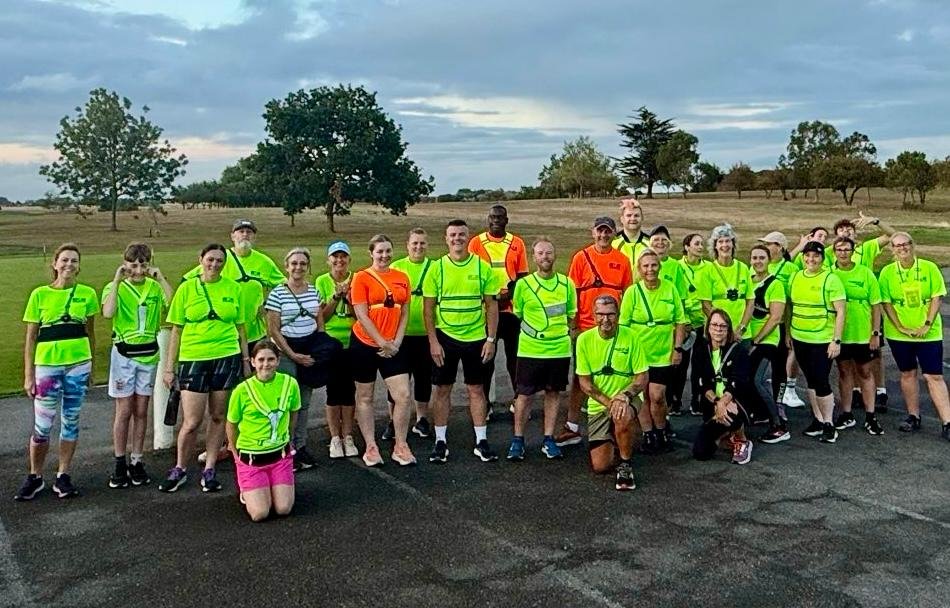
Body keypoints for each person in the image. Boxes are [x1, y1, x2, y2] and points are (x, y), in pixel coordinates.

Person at [160, 243, 249, 493]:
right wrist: (169, 368)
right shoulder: (187, 288)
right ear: (201, 259)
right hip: (194, 358)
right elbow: (176, 329)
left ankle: (210, 467)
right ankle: (180, 467)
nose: (214, 264)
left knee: (219, 415)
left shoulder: (233, 288)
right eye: (210, 259)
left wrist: (245, 360)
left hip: (226, 356)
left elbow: (241, 328)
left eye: (220, 260)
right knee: (191, 421)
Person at [15, 244, 99, 501]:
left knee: (71, 422)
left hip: (78, 364)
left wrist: (92, 366)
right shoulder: (39, 295)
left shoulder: (87, 294)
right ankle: (35, 476)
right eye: (64, 260)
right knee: (42, 425)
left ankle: (63, 475)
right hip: (48, 366)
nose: (69, 265)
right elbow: (31, 338)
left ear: (79, 266)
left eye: (74, 261)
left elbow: (90, 332)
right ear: (55, 264)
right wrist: (29, 374)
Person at [423, 219, 503, 463]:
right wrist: (433, 342)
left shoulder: (482, 267)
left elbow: (492, 306)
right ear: (446, 239)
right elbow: (428, 310)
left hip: (476, 338)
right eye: (452, 235)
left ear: (468, 237)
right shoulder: (436, 268)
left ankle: (481, 441)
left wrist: (491, 339)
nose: (457, 238)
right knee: (442, 389)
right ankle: (440, 441)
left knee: (476, 389)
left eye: (461, 234)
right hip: (445, 337)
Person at [556, 215, 633, 447]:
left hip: (614, 328)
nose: (603, 235)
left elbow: (627, 294)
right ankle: (572, 425)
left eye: (608, 231)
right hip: (587, 328)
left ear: (614, 233)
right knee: (581, 378)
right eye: (600, 231)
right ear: (593, 232)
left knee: (615, 375)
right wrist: (574, 325)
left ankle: (615, 421)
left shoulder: (622, 260)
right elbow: (572, 294)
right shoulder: (581, 257)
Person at [101, 243, 172, 488]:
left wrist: (161, 278)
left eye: (143, 265)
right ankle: (119, 461)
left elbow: (173, 305)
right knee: (124, 410)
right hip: (124, 356)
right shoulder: (115, 287)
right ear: (125, 264)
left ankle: (137, 459)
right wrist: (117, 280)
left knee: (142, 410)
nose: (139, 270)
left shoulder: (154, 287)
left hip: (148, 355)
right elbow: (108, 313)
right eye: (133, 265)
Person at [507, 238, 577, 461]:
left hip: (558, 350)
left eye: (548, 253)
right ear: (534, 257)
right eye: (540, 253)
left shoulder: (566, 284)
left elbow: (571, 315)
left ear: (555, 255)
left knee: (553, 392)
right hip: (531, 349)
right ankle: (518, 439)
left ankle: (548, 439)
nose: (545, 257)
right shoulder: (524, 285)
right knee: (524, 394)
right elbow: (518, 313)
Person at [878, 232, 950, 440]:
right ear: (892, 249)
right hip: (900, 335)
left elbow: (936, 297)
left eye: (906, 244)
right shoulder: (887, 272)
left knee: (933, 376)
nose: (902, 248)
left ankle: (947, 421)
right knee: (908, 373)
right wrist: (900, 327)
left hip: (928, 333)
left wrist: (927, 324)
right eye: (897, 245)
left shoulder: (929, 267)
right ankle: (913, 416)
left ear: (912, 245)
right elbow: (886, 303)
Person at [350, 234, 414, 466]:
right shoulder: (361, 277)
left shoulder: (402, 277)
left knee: (403, 395)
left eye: (388, 251)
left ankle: (401, 445)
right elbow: (361, 314)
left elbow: (404, 312)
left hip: (393, 345)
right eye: (379, 251)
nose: (384, 255)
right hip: (365, 343)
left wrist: (396, 342)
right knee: (365, 396)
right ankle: (371, 446)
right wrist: (381, 342)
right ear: (371, 253)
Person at [574, 295, 648, 491]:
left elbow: (642, 377)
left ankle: (625, 464)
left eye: (610, 315)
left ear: (618, 315)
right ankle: (618, 438)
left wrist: (626, 396)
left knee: (621, 415)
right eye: (600, 314)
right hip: (600, 403)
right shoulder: (583, 340)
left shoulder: (632, 336)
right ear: (593, 315)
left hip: (627, 397)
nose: (605, 320)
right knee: (601, 466)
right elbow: (585, 384)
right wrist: (610, 403)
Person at [618, 249, 687, 454]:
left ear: (660, 267)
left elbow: (680, 321)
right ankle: (648, 434)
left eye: (654, 265)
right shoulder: (632, 292)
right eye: (646, 266)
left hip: (663, 354)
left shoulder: (670, 289)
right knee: (642, 397)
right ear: (639, 269)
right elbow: (624, 325)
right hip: (640, 354)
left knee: (657, 396)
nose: (650, 269)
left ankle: (661, 430)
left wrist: (677, 349)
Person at [265, 247, 326, 470]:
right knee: (287, 402)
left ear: (308, 267)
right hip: (286, 352)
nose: (298, 267)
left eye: (302, 263)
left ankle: (300, 446)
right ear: (286, 266)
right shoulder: (277, 294)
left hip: (309, 349)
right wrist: (292, 355)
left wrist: (319, 347)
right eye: (294, 263)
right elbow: (273, 329)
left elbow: (319, 321)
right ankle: (285, 446)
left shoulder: (314, 291)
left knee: (304, 402)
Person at [226, 341, 300, 521]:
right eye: (260, 360)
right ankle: (246, 488)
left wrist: (289, 438)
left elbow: (293, 413)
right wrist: (235, 452)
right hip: (252, 459)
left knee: (283, 509)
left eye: (271, 359)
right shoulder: (241, 391)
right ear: (253, 362)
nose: (266, 364)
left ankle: (273, 485)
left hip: (279, 456)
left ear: (278, 360)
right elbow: (231, 424)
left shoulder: (290, 384)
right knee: (260, 514)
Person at [832, 213, 896, 412]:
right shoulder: (831, 253)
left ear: (855, 234)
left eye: (849, 229)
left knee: (874, 354)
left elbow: (893, 235)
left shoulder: (866, 248)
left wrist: (876, 221)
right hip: (843, 311)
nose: (845, 232)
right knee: (848, 359)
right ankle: (857, 391)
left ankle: (880, 390)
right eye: (841, 230)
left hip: (866, 307)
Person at [468, 205, 529, 414]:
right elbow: (472, 274)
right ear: (488, 219)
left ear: (506, 220)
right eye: (493, 217)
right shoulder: (476, 243)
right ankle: (485, 403)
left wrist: (508, 296)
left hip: (511, 311)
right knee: (486, 360)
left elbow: (522, 276)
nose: (496, 221)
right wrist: (491, 299)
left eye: (500, 217)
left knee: (515, 360)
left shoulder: (516, 243)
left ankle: (518, 401)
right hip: (486, 312)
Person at [787, 241, 846, 444]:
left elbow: (841, 311)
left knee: (821, 380)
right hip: (800, 337)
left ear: (822, 258)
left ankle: (829, 424)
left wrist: (836, 340)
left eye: (816, 256)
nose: (811, 260)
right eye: (808, 256)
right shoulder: (795, 277)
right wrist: (789, 333)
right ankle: (818, 420)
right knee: (811, 380)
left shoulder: (831, 279)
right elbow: (790, 306)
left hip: (822, 339)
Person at [830, 236, 884, 435]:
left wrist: (875, 333)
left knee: (865, 373)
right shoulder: (829, 274)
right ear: (834, 252)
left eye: (847, 249)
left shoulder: (865, 273)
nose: (843, 253)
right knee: (844, 372)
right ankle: (846, 413)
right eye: (839, 249)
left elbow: (876, 305)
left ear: (853, 252)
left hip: (863, 334)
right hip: (841, 335)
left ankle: (870, 416)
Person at [691, 309, 754, 465]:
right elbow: (700, 383)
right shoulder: (700, 350)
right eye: (714, 325)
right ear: (708, 328)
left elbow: (738, 382)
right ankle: (725, 433)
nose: (718, 329)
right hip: (713, 403)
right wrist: (716, 402)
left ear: (728, 329)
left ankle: (742, 440)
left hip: (735, 401)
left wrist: (723, 402)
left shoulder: (739, 351)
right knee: (701, 452)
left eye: (722, 326)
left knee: (730, 412)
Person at [315, 241, 359, 459]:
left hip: (353, 340)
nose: (339, 260)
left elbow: (359, 315)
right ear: (328, 260)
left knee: (349, 391)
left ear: (349, 259)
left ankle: (348, 435)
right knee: (333, 391)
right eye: (335, 256)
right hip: (331, 342)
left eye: (343, 256)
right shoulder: (322, 281)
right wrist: (336, 296)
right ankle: (334, 438)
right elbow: (321, 316)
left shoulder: (357, 279)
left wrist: (349, 299)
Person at [389, 229, 434, 439]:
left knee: (423, 378)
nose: (418, 247)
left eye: (422, 243)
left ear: (427, 245)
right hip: (400, 335)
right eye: (415, 243)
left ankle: (422, 418)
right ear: (407, 245)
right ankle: (393, 420)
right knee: (397, 379)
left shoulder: (434, 267)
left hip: (425, 333)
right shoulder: (396, 268)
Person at [757, 231, 806, 410]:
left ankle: (779, 404)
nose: (765, 247)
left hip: (781, 324)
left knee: (779, 366)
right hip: (759, 324)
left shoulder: (791, 269)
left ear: (779, 247)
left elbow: (792, 303)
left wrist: (789, 331)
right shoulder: (757, 266)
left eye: (768, 244)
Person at [746, 244, 789, 443]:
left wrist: (757, 339)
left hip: (767, 340)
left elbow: (776, 317)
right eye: (754, 258)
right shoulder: (748, 281)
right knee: (745, 378)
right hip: (749, 337)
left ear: (769, 260)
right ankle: (761, 412)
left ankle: (778, 424)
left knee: (756, 380)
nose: (758, 261)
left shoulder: (775, 284)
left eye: (762, 257)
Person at [675, 233, 710, 416]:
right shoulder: (677, 267)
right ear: (686, 247)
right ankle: (675, 400)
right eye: (696, 244)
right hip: (685, 323)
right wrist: (684, 321)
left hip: (703, 322)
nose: (700, 247)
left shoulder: (709, 267)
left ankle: (697, 399)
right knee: (681, 363)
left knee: (700, 364)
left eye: (702, 244)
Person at [698, 223, 754, 337]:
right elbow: (706, 305)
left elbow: (750, 302)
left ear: (733, 244)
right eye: (720, 242)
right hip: (717, 333)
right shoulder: (707, 270)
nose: (725, 245)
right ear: (715, 246)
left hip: (742, 334)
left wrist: (741, 328)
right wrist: (724, 329)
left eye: (728, 241)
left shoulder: (743, 268)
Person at [612, 197, 649, 272]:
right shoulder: (613, 242)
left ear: (642, 218)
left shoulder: (650, 243)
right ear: (622, 219)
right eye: (629, 215)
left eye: (636, 215)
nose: (633, 219)